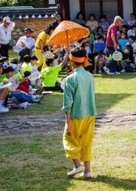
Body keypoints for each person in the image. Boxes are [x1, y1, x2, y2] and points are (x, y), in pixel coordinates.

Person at [62, 47, 97, 179]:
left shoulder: (70, 79)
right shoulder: (89, 76)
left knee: (70, 139)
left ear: (71, 61)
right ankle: (87, 171)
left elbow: (67, 104)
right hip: (90, 113)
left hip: (76, 115)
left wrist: (67, 123)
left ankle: (77, 166)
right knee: (86, 141)